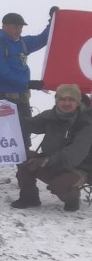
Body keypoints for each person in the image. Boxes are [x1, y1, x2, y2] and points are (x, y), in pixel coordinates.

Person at [0, 8, 56, 188]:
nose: (19, 30)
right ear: (4, 26)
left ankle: (24, 176)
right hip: (1, 98)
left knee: (23, 137)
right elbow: (2, 74)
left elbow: (43, 39)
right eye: (15, 26)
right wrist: (28, 83)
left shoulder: (22, 43)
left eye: (20, 26)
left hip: (21, 99)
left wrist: (52, 20)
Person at [14, 84, 92, 212]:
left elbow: (73, 155)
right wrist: (9, 116)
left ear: (78, 103)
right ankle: (29, 198)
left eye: (71, 100)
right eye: (62, 99)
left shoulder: (86, 124)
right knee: (23, 158)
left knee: (58, 186)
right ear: (56, 101)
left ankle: (72, 199)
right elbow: (29, 125)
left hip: (77, 169)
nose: (66, 103)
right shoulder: (50, 116)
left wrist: (45, 161)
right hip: (50, 162)